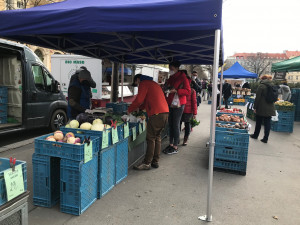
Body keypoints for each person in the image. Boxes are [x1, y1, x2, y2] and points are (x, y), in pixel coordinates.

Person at [128, 74, 169, 170]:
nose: (138, 86)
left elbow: (139, 99)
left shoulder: (144, 83)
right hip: (165, 113)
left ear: (138, 80)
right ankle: (155, 161)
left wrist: (130, 109)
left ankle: (147, 163)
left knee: (150, 138)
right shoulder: (153, 84)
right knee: (157, 137)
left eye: (136, 83)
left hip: (157, 114)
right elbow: (146, 100)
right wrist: (140, 108)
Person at [163, 61, 191, 155]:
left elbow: (188, 91)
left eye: (172, 68)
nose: (170, 70)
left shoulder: (183, 77)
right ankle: (170, 144)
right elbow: (168, 87)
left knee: (176, 124)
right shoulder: (171, 77)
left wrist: (177, 91)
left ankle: (175, 146)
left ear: (177, 68)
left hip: (179, 104)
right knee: (170, 124)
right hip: (170, 103)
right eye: (169, 68)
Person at [250, 75, 276, 143]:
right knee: (267, 123)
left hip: (261, 107)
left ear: (262, 79)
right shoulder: (272, 85)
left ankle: (255, 135)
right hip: (270, 107)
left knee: (258, 122)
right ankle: (265, 138)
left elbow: (257, 98)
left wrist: (255, 107)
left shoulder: (261, 86)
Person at [181, 76, 197, 146]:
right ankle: (185, 139)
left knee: (179, 124)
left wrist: (194, 113)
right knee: (187, 125)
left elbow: (194, 102)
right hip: (187, 111)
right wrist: (194, 113)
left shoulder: (181, 89)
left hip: (181, 109)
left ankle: (178, 139)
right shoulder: (192, 91)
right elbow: (194, 102)